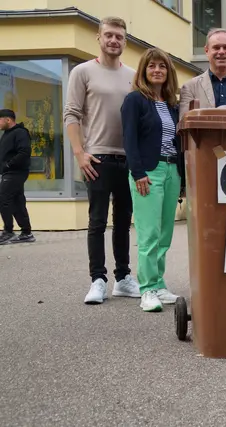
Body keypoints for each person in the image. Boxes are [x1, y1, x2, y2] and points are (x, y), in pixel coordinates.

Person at [63, 16, 140, 304]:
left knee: (123, 222)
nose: (114, 40)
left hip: (128, 159)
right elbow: (71, 114)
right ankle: (97, 279)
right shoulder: (82, 72)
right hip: (96, 158)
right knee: (97, 221)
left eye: (119, 36)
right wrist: (79, 153)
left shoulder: (134, 75)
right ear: (99, 37)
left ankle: (122, 278)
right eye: (109, 35)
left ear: (125, 41)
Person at [121, 48, 182, 312]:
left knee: (165, 233)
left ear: (168, 73)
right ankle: (146, 290)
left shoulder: (172, 105)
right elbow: (129, 139)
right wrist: (138, 173)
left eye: (162, 66)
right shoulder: (134, 100)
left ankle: (158, 283)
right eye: (152, 66)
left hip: (172, 171)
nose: (157, 70)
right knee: (149, 233)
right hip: (149, 171)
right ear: (143, 71)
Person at [179, 28, 226, 118]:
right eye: (216, 47)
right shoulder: (190, 88)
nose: (221, 52)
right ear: (206, 51)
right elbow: (185, 124)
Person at [0, 109, 35, 245]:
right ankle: (26, 233)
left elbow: (24, 152)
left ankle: (8, 232)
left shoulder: (20, 133)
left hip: (16, 172)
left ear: (8, 120)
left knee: (3, 198)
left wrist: (9, 165)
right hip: (9, 172)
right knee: (17, 201)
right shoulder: (6, 134)